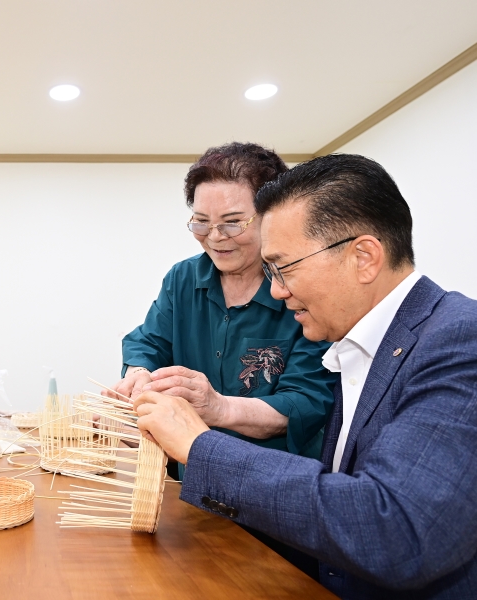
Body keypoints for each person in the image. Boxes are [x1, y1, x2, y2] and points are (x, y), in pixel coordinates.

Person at [135, 154, 477, 598]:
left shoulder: (459, 341)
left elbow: (397, 531)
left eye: (284, 267)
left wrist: (199, 446)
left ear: (364, 257)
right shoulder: (358, 344)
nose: (276, 290)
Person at [116, 142, 336, 466]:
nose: (215, 237)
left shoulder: (303, 286)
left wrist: (218, 408)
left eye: (233, 222)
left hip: (273, 485)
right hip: (191, 481)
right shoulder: (183, 278)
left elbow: (304, 403)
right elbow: (148, 342)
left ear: (272, 216)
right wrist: (139, 374)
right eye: (201, 222)